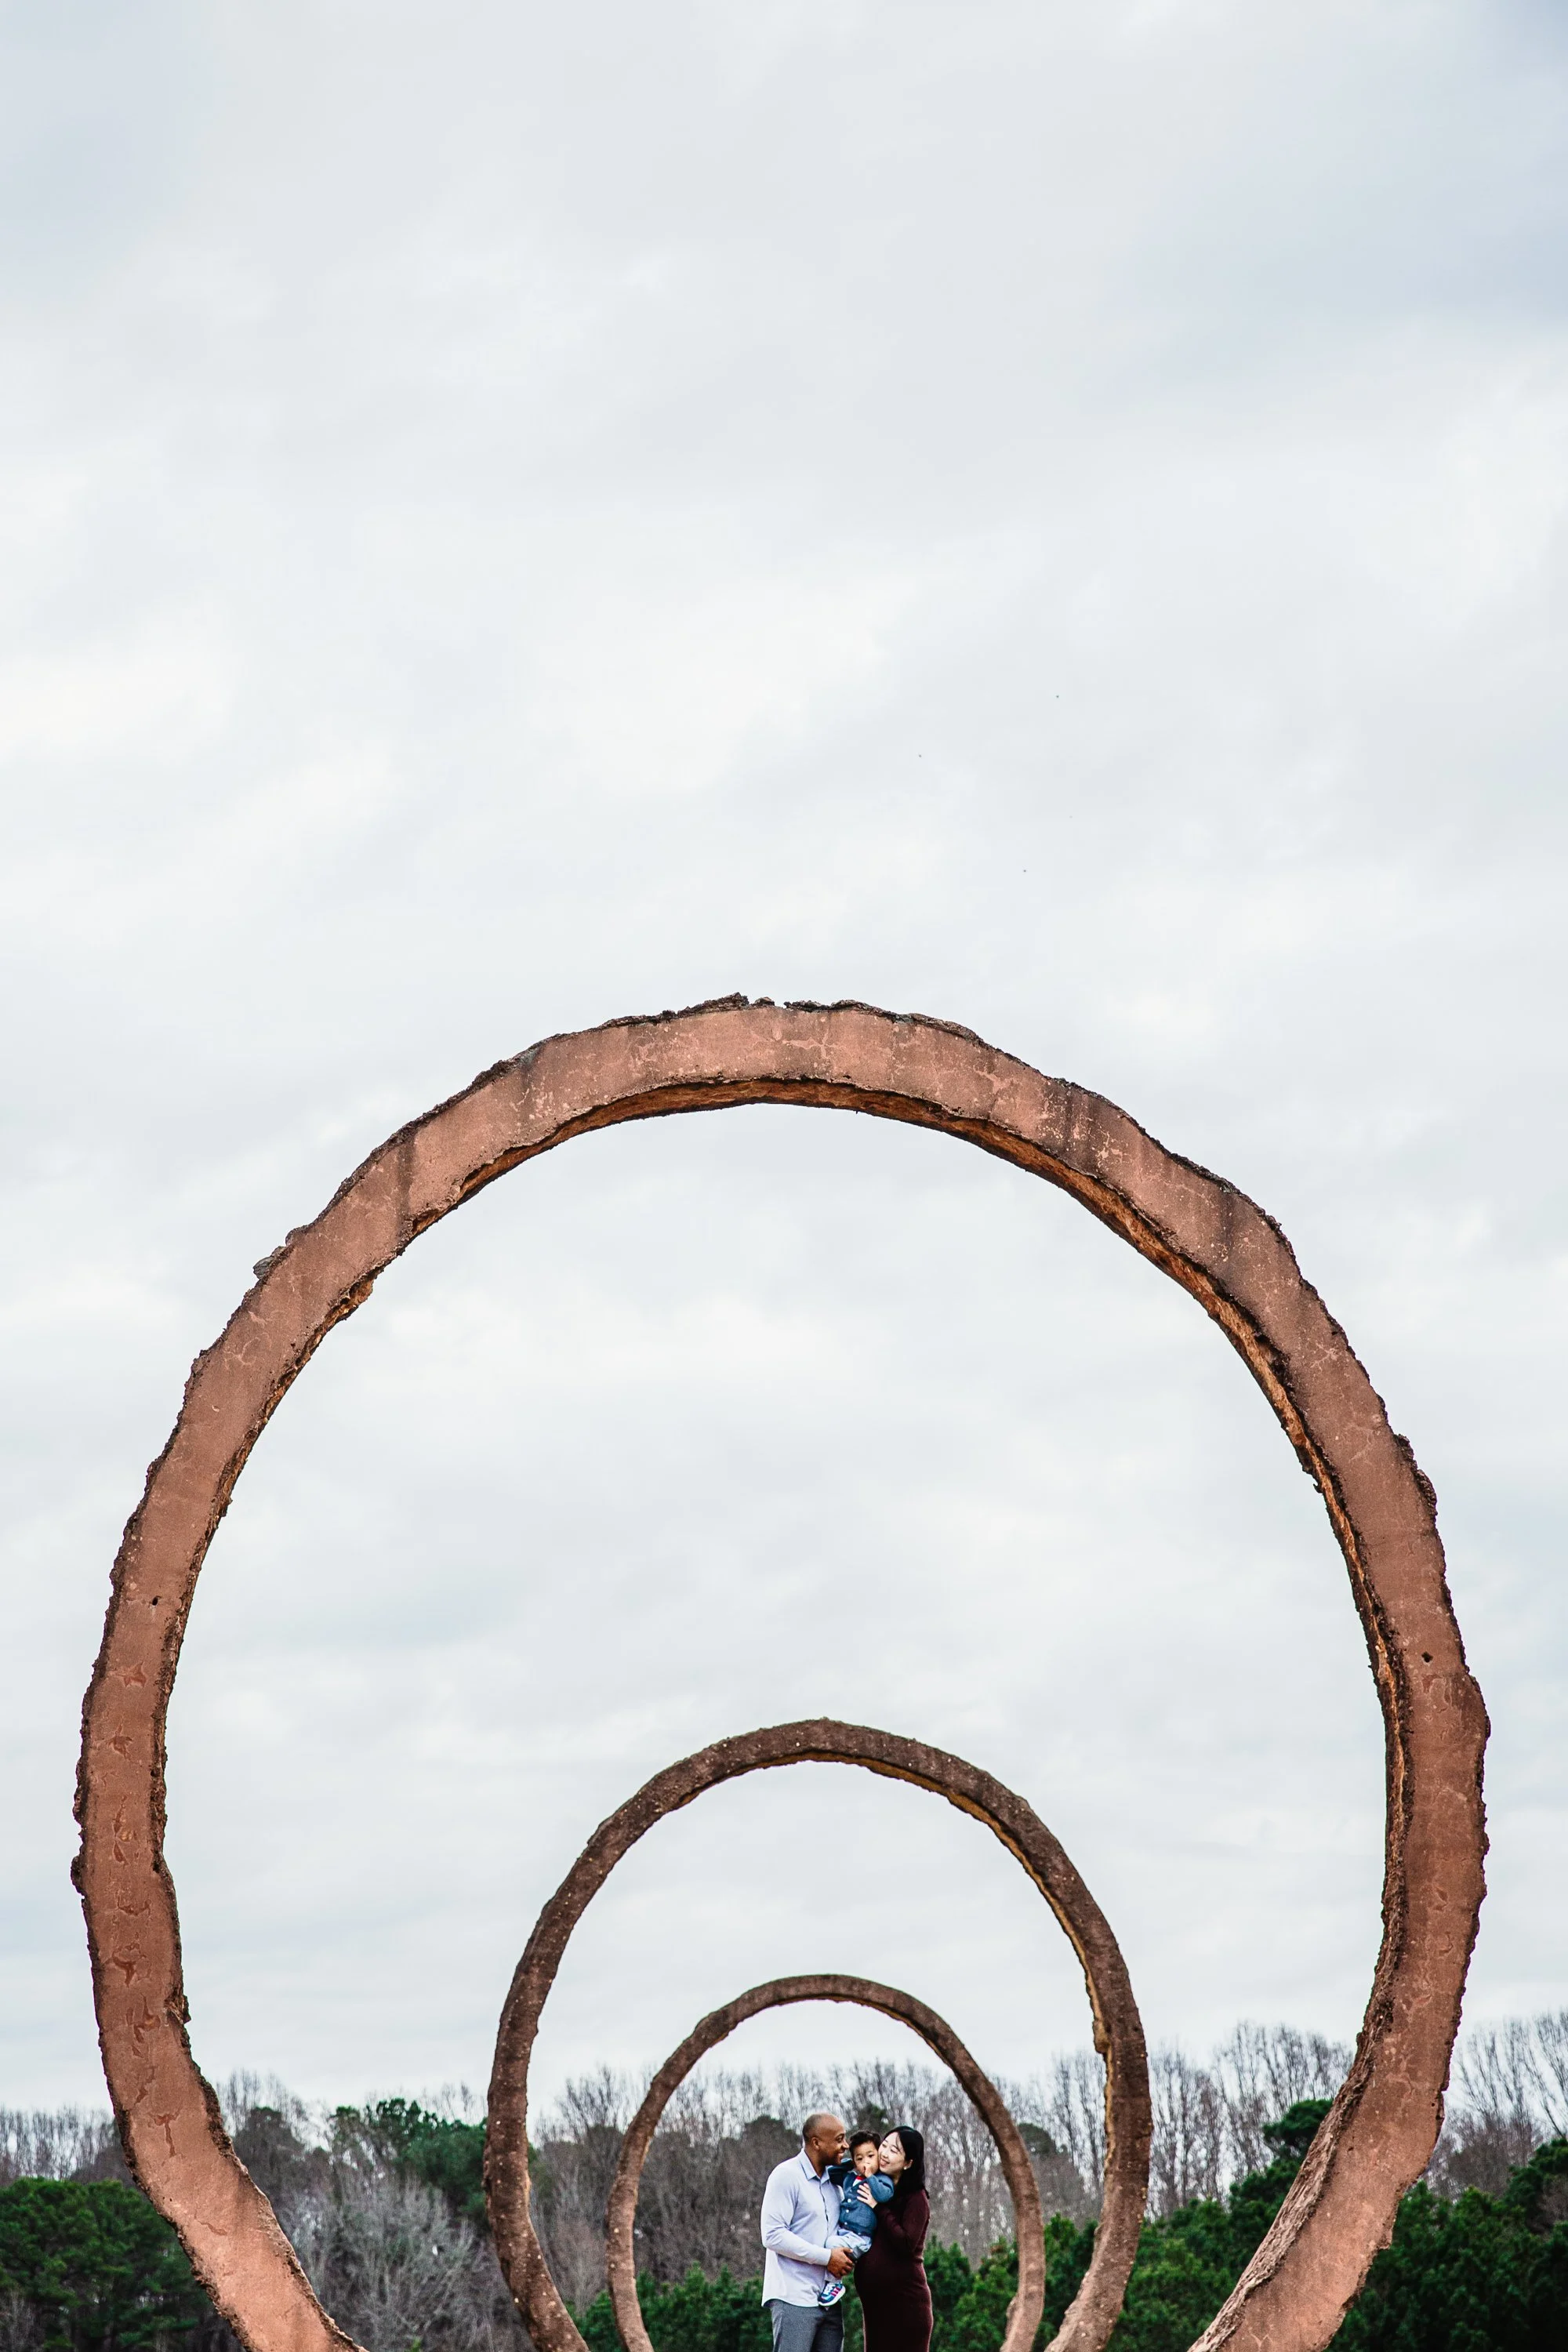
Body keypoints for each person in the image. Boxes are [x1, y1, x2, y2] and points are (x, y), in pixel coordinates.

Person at [760, 2112, 857, 2352]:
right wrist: (828, 2258)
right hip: (793, 2298)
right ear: (816, 2143)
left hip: (830, 2299)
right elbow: (772, 2235)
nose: (845, 2145)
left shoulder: (835, 2182)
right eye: (839, 2139)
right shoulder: (786, 2176)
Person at [852, 2126, 931, 2352]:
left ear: (908, 2163)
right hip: (876, 2307)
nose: (885, 2154)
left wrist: (879, 2209)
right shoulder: (876, 2188)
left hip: (906, 2306)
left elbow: (906, 2244)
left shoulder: (917, 2198)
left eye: (894, 2150)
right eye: (884, 2146)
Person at [817, 2132, 895, 2306]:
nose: (865, 2162)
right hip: (843, 2230)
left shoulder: (882, 2180)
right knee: (824, 2241)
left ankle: (835, 2284)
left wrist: (869, 2176)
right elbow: (831, 2173)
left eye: (870, 2156)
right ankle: (826, 2280)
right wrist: (851, 2164)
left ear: (879, 2156)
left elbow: (883, 2195)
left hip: (861, 2237)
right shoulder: (850, 2177)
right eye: (859, 2158)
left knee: (832, 2245)